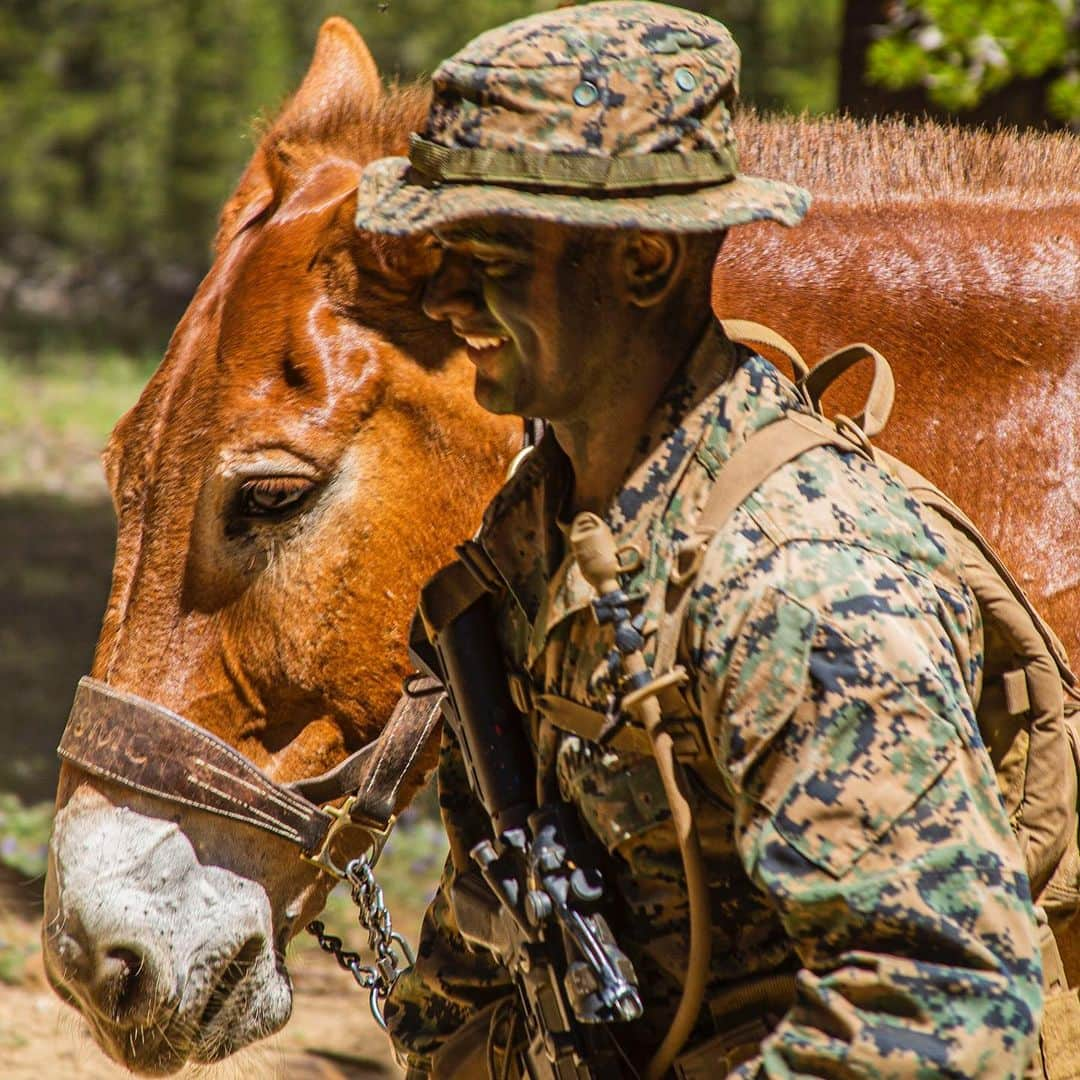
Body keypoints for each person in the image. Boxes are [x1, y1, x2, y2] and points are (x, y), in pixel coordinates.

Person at [353, 2, 1043, 1076]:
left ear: (642, 261)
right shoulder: (541, 531)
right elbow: (491, 926)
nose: (442, 295)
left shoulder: (800, 580)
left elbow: (944, 1005)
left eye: (486, 250)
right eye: (437, 247)